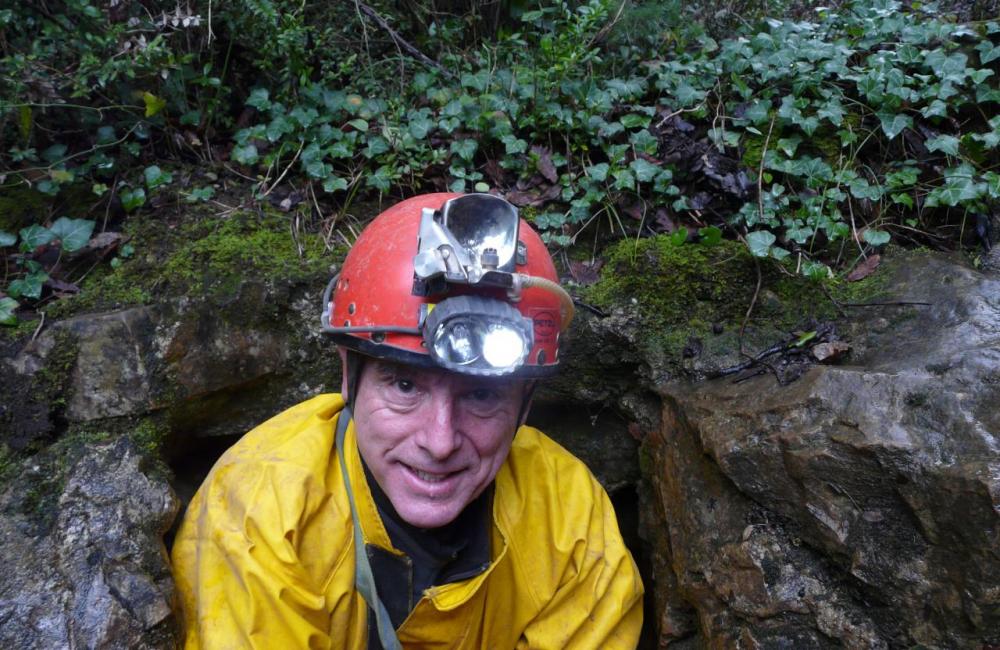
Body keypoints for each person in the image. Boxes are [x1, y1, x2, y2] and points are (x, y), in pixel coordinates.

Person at [171, 192, 644, 649]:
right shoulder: (264, 511)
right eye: (404, 386)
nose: (439, 443)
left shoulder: (566, 517)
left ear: (525, 403)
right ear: (347, 373)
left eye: (481, 395)